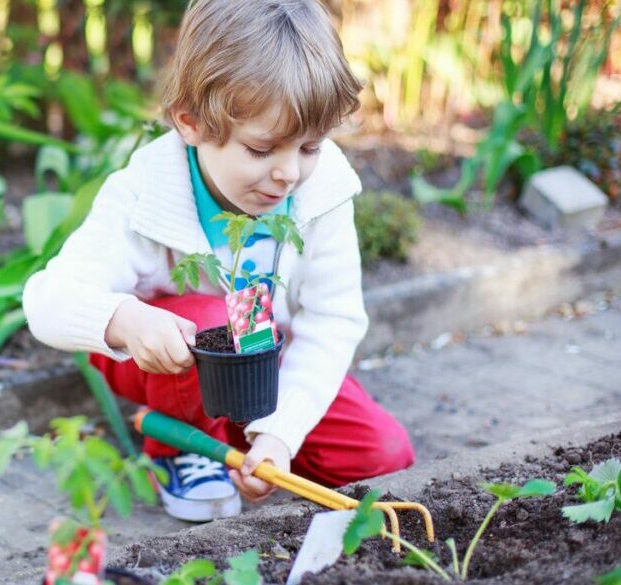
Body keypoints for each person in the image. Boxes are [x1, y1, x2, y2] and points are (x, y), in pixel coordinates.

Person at [23, 0, 415, 522]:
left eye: (310, 147)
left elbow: (332, 321)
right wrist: (125, 319)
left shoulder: (323, 193)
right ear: (190, 123)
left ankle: (237, 436)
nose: (288, 175)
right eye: (261, 150)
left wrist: (278, 435)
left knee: (383, 459)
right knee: (216, 321)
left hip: (262, 365)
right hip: (169, 358)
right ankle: (180, 449)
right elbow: (47, 298)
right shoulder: (145, 192)